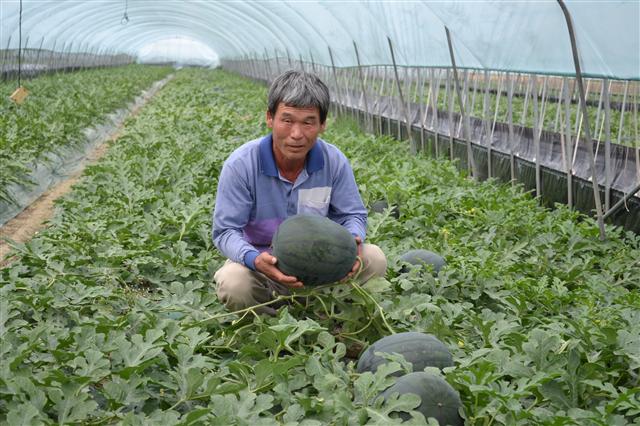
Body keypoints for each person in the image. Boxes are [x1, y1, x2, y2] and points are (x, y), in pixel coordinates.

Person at [212, 70, 387, 315]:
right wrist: (254, 259)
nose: (297, 134)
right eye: (287, 120)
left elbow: (353, 214)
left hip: (322, 264)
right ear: (270, 118)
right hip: (264, 268)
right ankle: (269, 327)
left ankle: (331, 316)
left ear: (322, 124)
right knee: (235, 284)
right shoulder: (241, 165)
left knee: (374, 258)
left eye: (308, 122)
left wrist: (352, 241)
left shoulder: (333, 161)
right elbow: (225, 231)